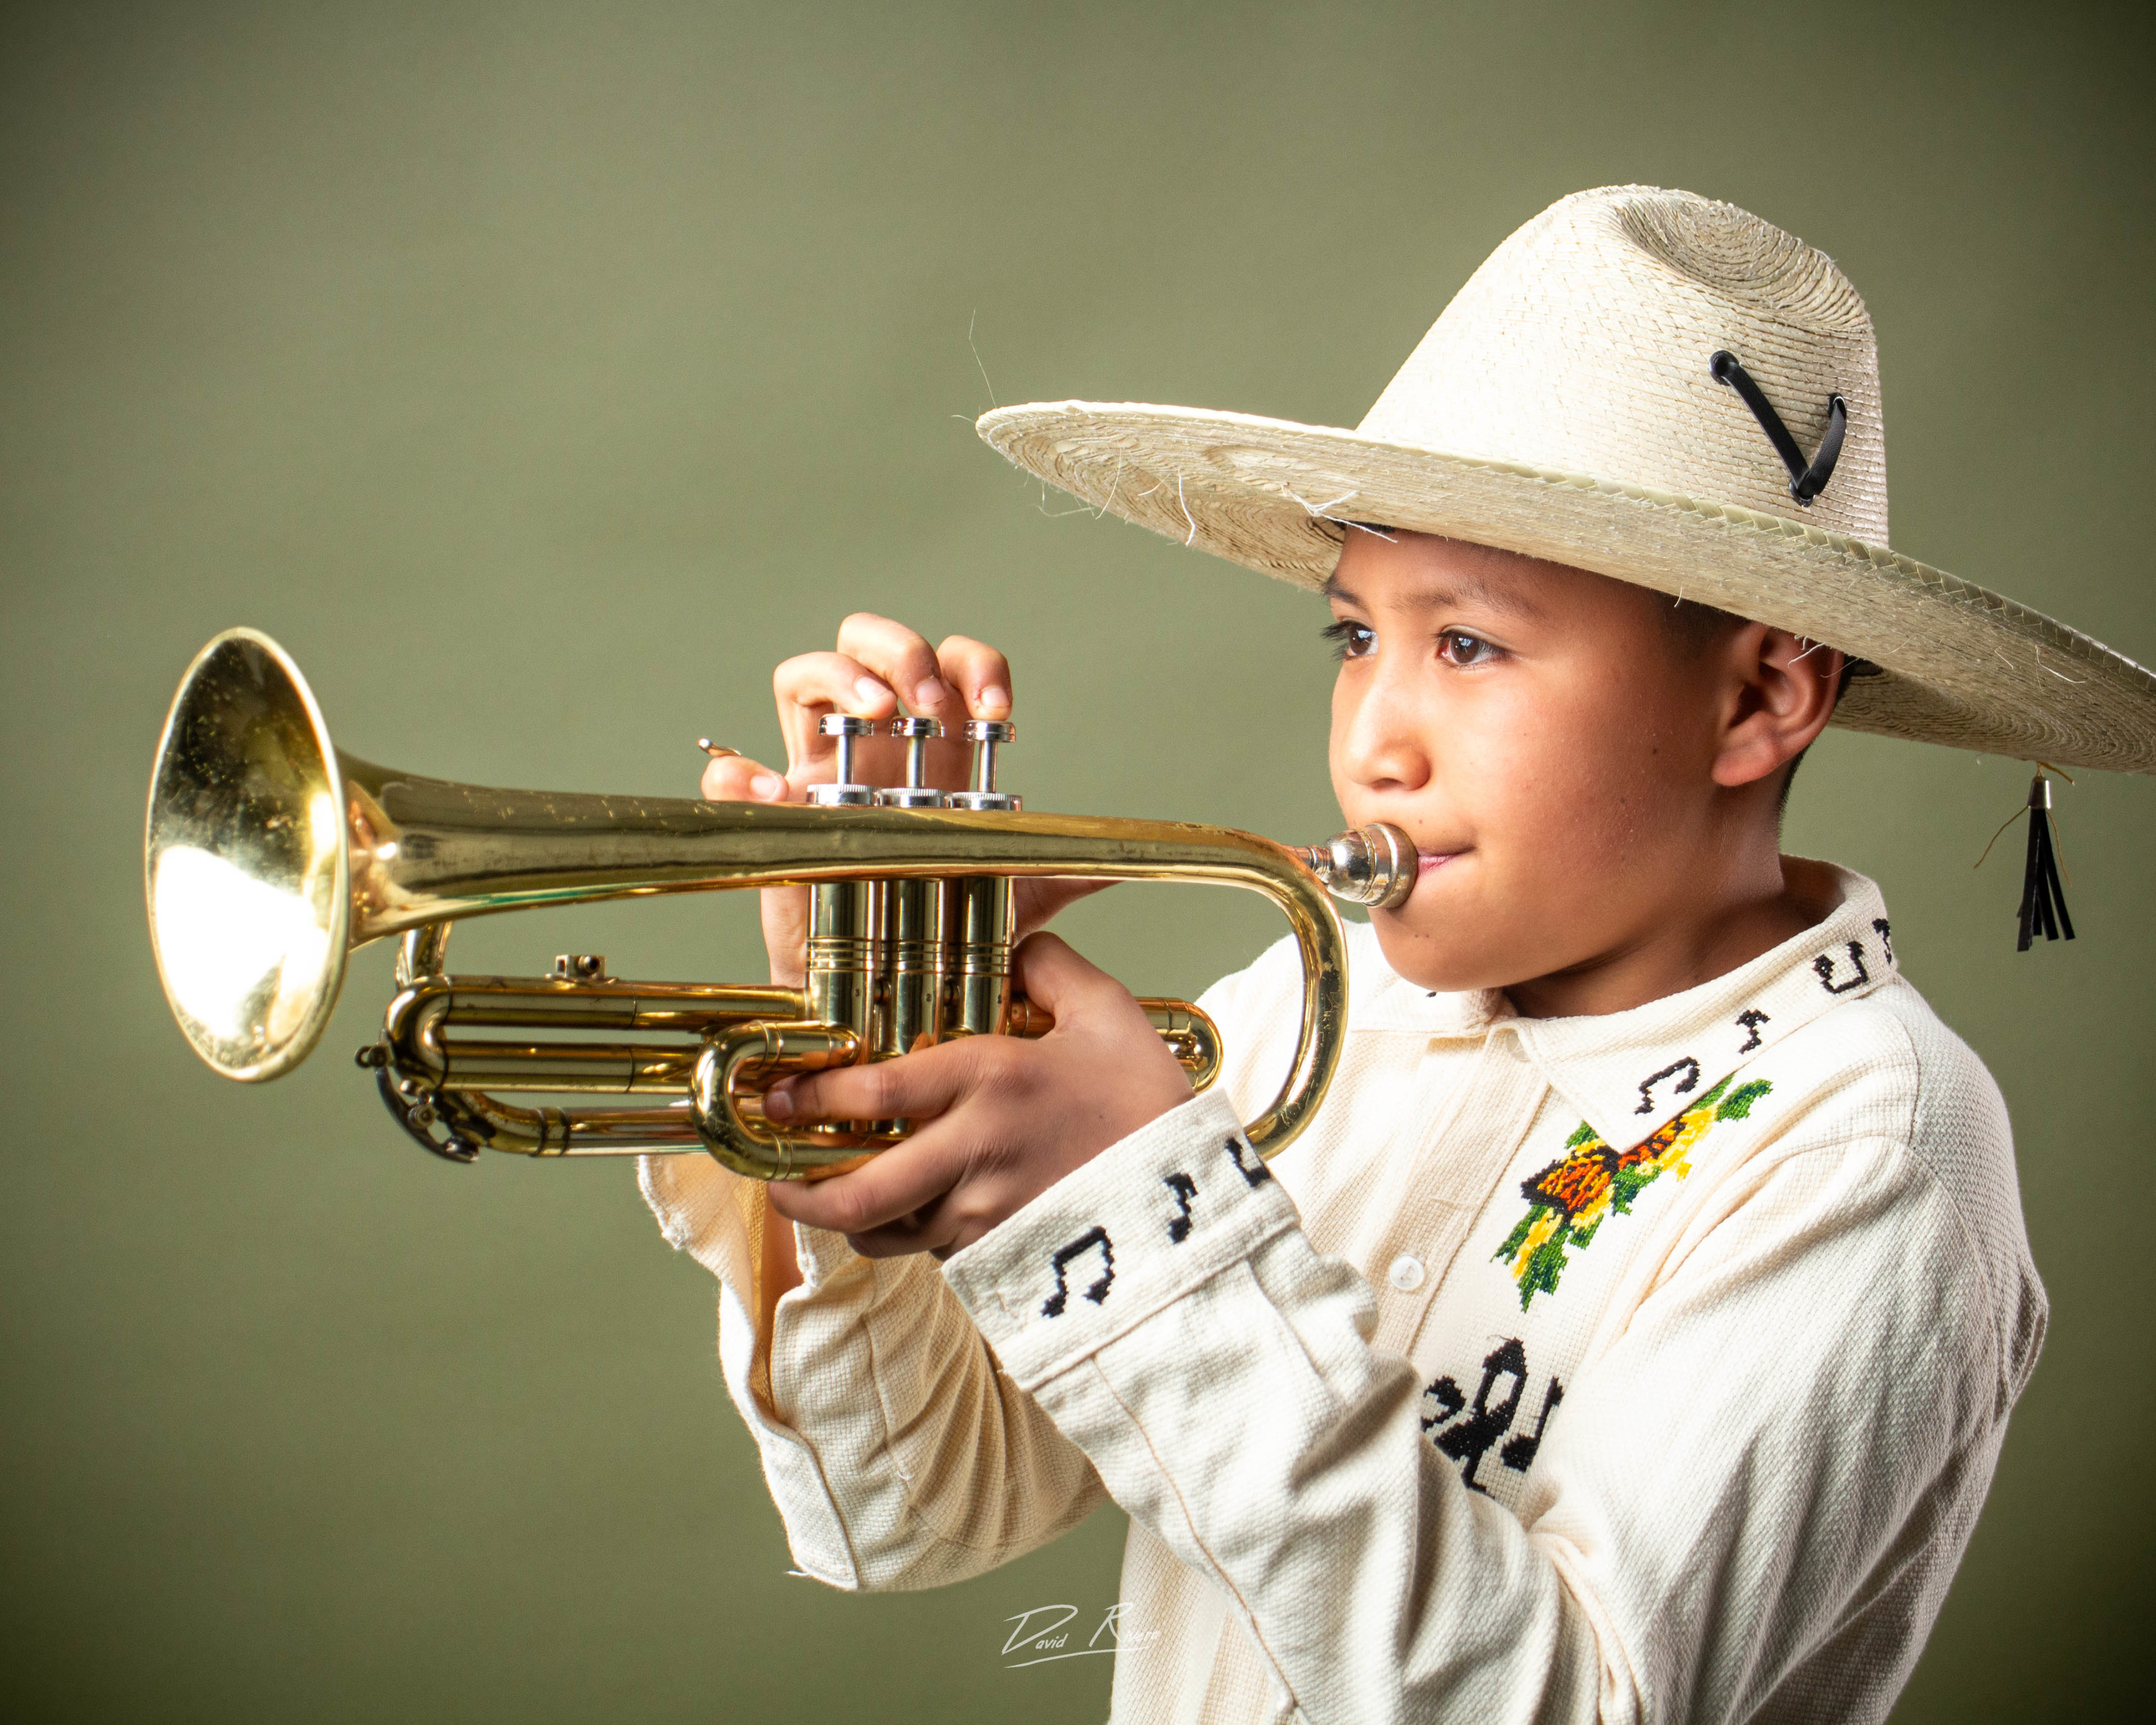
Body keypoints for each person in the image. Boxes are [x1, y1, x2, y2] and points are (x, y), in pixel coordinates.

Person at [645, 186, 2153, 1723]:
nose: (1374, 742)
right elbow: (913, 1510)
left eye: (1470, 645)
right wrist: (862, 1062)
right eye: (1355, 636)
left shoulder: (1875, 1153)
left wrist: (1150, 1215)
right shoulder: (1325, 1002)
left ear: (1762, 698)